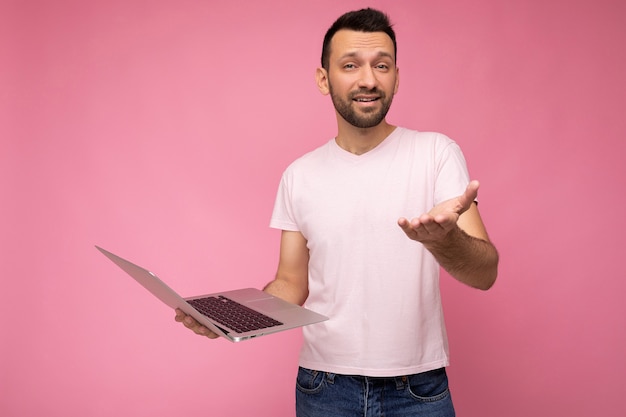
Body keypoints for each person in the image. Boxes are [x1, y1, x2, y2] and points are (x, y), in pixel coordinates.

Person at [175, 7, 498, 417]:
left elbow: (485, 273)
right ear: (323, 79)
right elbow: (291, 284)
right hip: (324, 389)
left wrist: (446, 241)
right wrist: (228, 318)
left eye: (382, 65)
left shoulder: (436, 154)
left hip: (417, 389)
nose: (368, 79)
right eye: (350, 65)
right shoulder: (299, 176)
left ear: (397, 76)